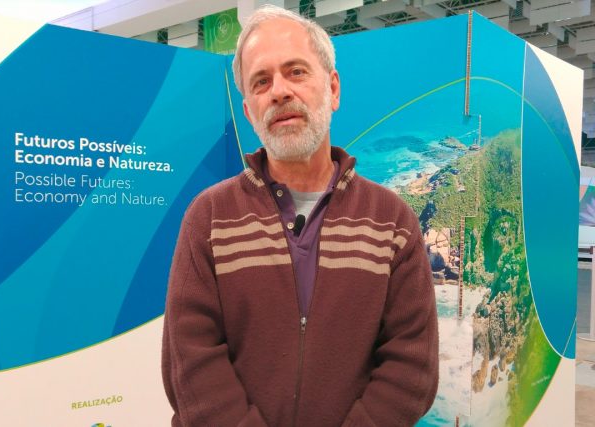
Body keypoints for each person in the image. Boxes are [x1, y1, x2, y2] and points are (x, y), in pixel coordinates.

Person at [161, 5, 438, 427]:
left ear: (333, 89)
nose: (279, 91)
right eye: (261, 81)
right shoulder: (210, 218)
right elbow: (191, 364)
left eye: (296, 72)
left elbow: (412, 365)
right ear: (249, 111)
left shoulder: (392, 221)